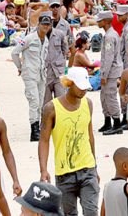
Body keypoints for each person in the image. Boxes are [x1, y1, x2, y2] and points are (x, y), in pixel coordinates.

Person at [39, 66, 99, 216]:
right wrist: (43, 169)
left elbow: (90, 135)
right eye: (80, 87)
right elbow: (44, 141)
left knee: (91, 212)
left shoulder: (88, 104)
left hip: (88, 169)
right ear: (69, 83)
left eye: (85, 87)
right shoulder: (51, 108)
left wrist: (95, 165)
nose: (84, 91)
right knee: (69, 213)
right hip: (64, 173)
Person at [12, 14, 52, 141]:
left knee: (40, 101)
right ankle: (34, 130)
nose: (46, 26)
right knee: (34, 101)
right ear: (38, 25)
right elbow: (14, 52)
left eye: (48, 24)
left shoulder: (46, 40)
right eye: (43, 24)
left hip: (41, 74)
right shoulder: (29, 38)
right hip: (29, 73)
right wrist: (20, 67)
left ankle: (39, 127)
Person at [96, 11, 123, 135]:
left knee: (110, 97)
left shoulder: (110, 36)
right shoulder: (110, 34)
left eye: (99, 20)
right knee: (104, 97)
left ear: (106, 21)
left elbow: (108, 58)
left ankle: (116, 123)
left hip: (110, 72)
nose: (97, 22)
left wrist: (104, 75)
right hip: (109, 71)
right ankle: (107, 121)